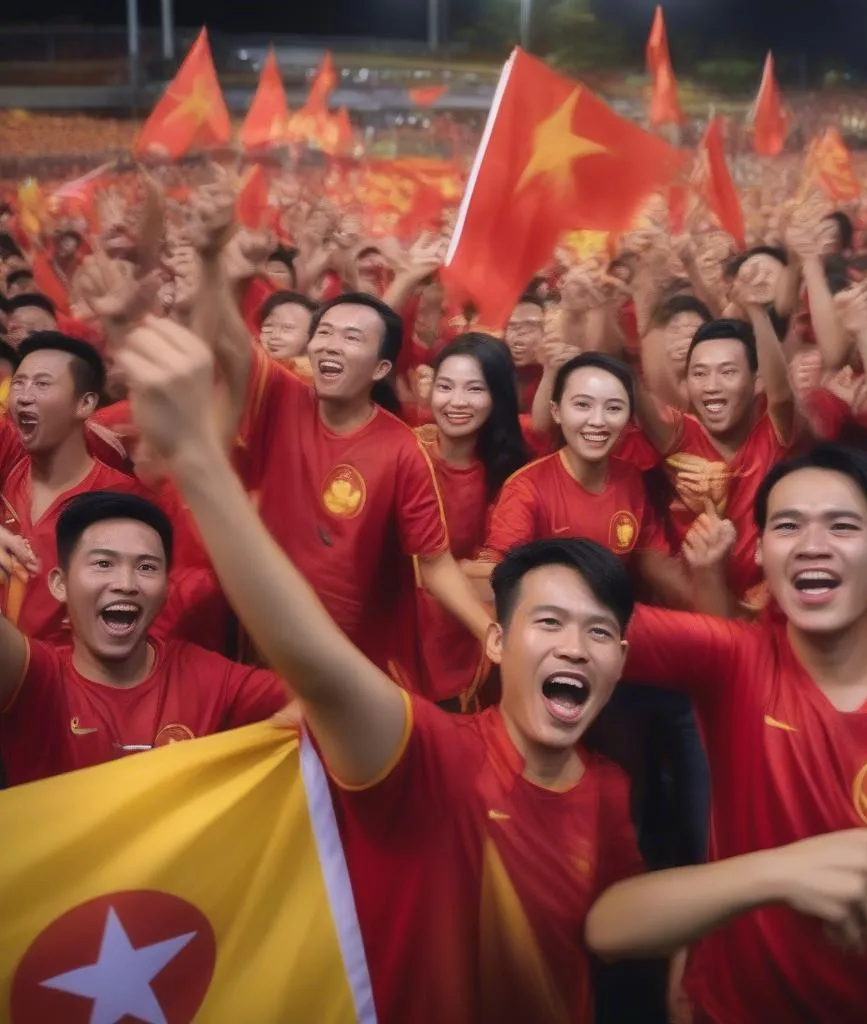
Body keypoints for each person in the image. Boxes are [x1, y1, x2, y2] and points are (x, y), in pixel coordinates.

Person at [113, 311, 645, 1024]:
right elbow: (323, 667)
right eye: (547, 624)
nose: (574, 647)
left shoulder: (610, 793)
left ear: (622, 657)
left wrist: (755, 893)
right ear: (501, 643)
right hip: (328, 701)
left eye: (597, 633)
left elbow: (612, 922)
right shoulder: (434, 753)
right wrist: (198, 460)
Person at [615, 443, 867, 1022]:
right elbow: (577, 623)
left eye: (842, 525)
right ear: (760, 553)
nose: (812, 545)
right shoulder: (731, 660)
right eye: (787, 525)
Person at [214, 290, 493, 692]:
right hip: (267, 644)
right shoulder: (280, 398)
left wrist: (487, 631)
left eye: (351, 337)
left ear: (381, 368)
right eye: (324, 332)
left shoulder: (403, 450)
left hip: (357, 663)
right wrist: (212, 264)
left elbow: (434, 562)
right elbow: (224, 341)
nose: (331, 344)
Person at [0, 491, 286, 786]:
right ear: (61, 584)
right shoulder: (35, 680)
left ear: (165, 589)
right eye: (103, 564)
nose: (125, 584)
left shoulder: (210, 679)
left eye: (146, 567)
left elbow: (325, 705)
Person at [480, 352, 704, 612]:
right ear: (556, 411)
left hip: (611, 620)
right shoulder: (525, 488)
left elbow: (659, 567)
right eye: (582, 405)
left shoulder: (631, 479)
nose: (598, 421)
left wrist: (711, 583)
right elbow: (499, 583)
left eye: (613, 408)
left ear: (629, 418)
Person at [0, 332, 157, 644]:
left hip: (62, 683)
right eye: (19, 383)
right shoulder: (9, 462)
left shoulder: (122, 499)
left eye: (42, 384)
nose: (23, 396)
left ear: (85, 404)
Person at [635, 313, 797, 609]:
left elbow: (783, 395)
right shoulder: (678, 436)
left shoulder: (774, 434)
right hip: (695, 615)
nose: (711, 386)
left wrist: (755, 309)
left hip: (773, 612)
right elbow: (637, 395)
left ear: (757, 381)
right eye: (699, 373)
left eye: (727, 372)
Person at [416, 333, 529, 703]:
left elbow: (502, 575)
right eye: (445, 386)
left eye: (475, 389)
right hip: (401, 640)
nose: (457, 402)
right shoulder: (407, 454)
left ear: (497, 396)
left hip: (471, 642)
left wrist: (438, 571)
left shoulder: (513, 477)